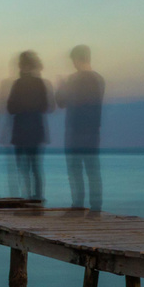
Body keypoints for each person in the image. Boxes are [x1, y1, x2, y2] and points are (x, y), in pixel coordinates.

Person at [55, 44, 104, 211]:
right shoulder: (99, 79)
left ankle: (77, 205)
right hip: (92, 130)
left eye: (74, 61)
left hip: (75, 130)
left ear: (77, 59)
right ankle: (96, 207)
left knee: (75, 170)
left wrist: (61, 87)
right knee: (93, 170)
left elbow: (61, 102)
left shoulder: (73, 80)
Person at [5, 50, 50, 200]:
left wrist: (21, 106)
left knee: (24, 166)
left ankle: (27, 195)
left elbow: (11, 108)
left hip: (22, 129)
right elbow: (44, 106)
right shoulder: (39, 83)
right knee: (34, 165)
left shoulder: (18, 84)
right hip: (34, 128)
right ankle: (36, 196)